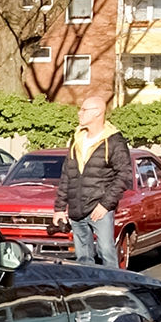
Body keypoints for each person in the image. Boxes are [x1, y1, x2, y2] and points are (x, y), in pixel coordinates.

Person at [54, 93, 132, 267]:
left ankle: (114, 289)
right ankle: (88, 292)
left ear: (97, 113)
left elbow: (124, 175)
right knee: (83, 260)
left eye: (83, 110)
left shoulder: (114, 141)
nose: (79, 113)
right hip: (76, 209)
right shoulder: (77, 139)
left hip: (99, 209)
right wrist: (59, 208)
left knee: (107, 254)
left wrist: (105, 205)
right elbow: (67, 174)